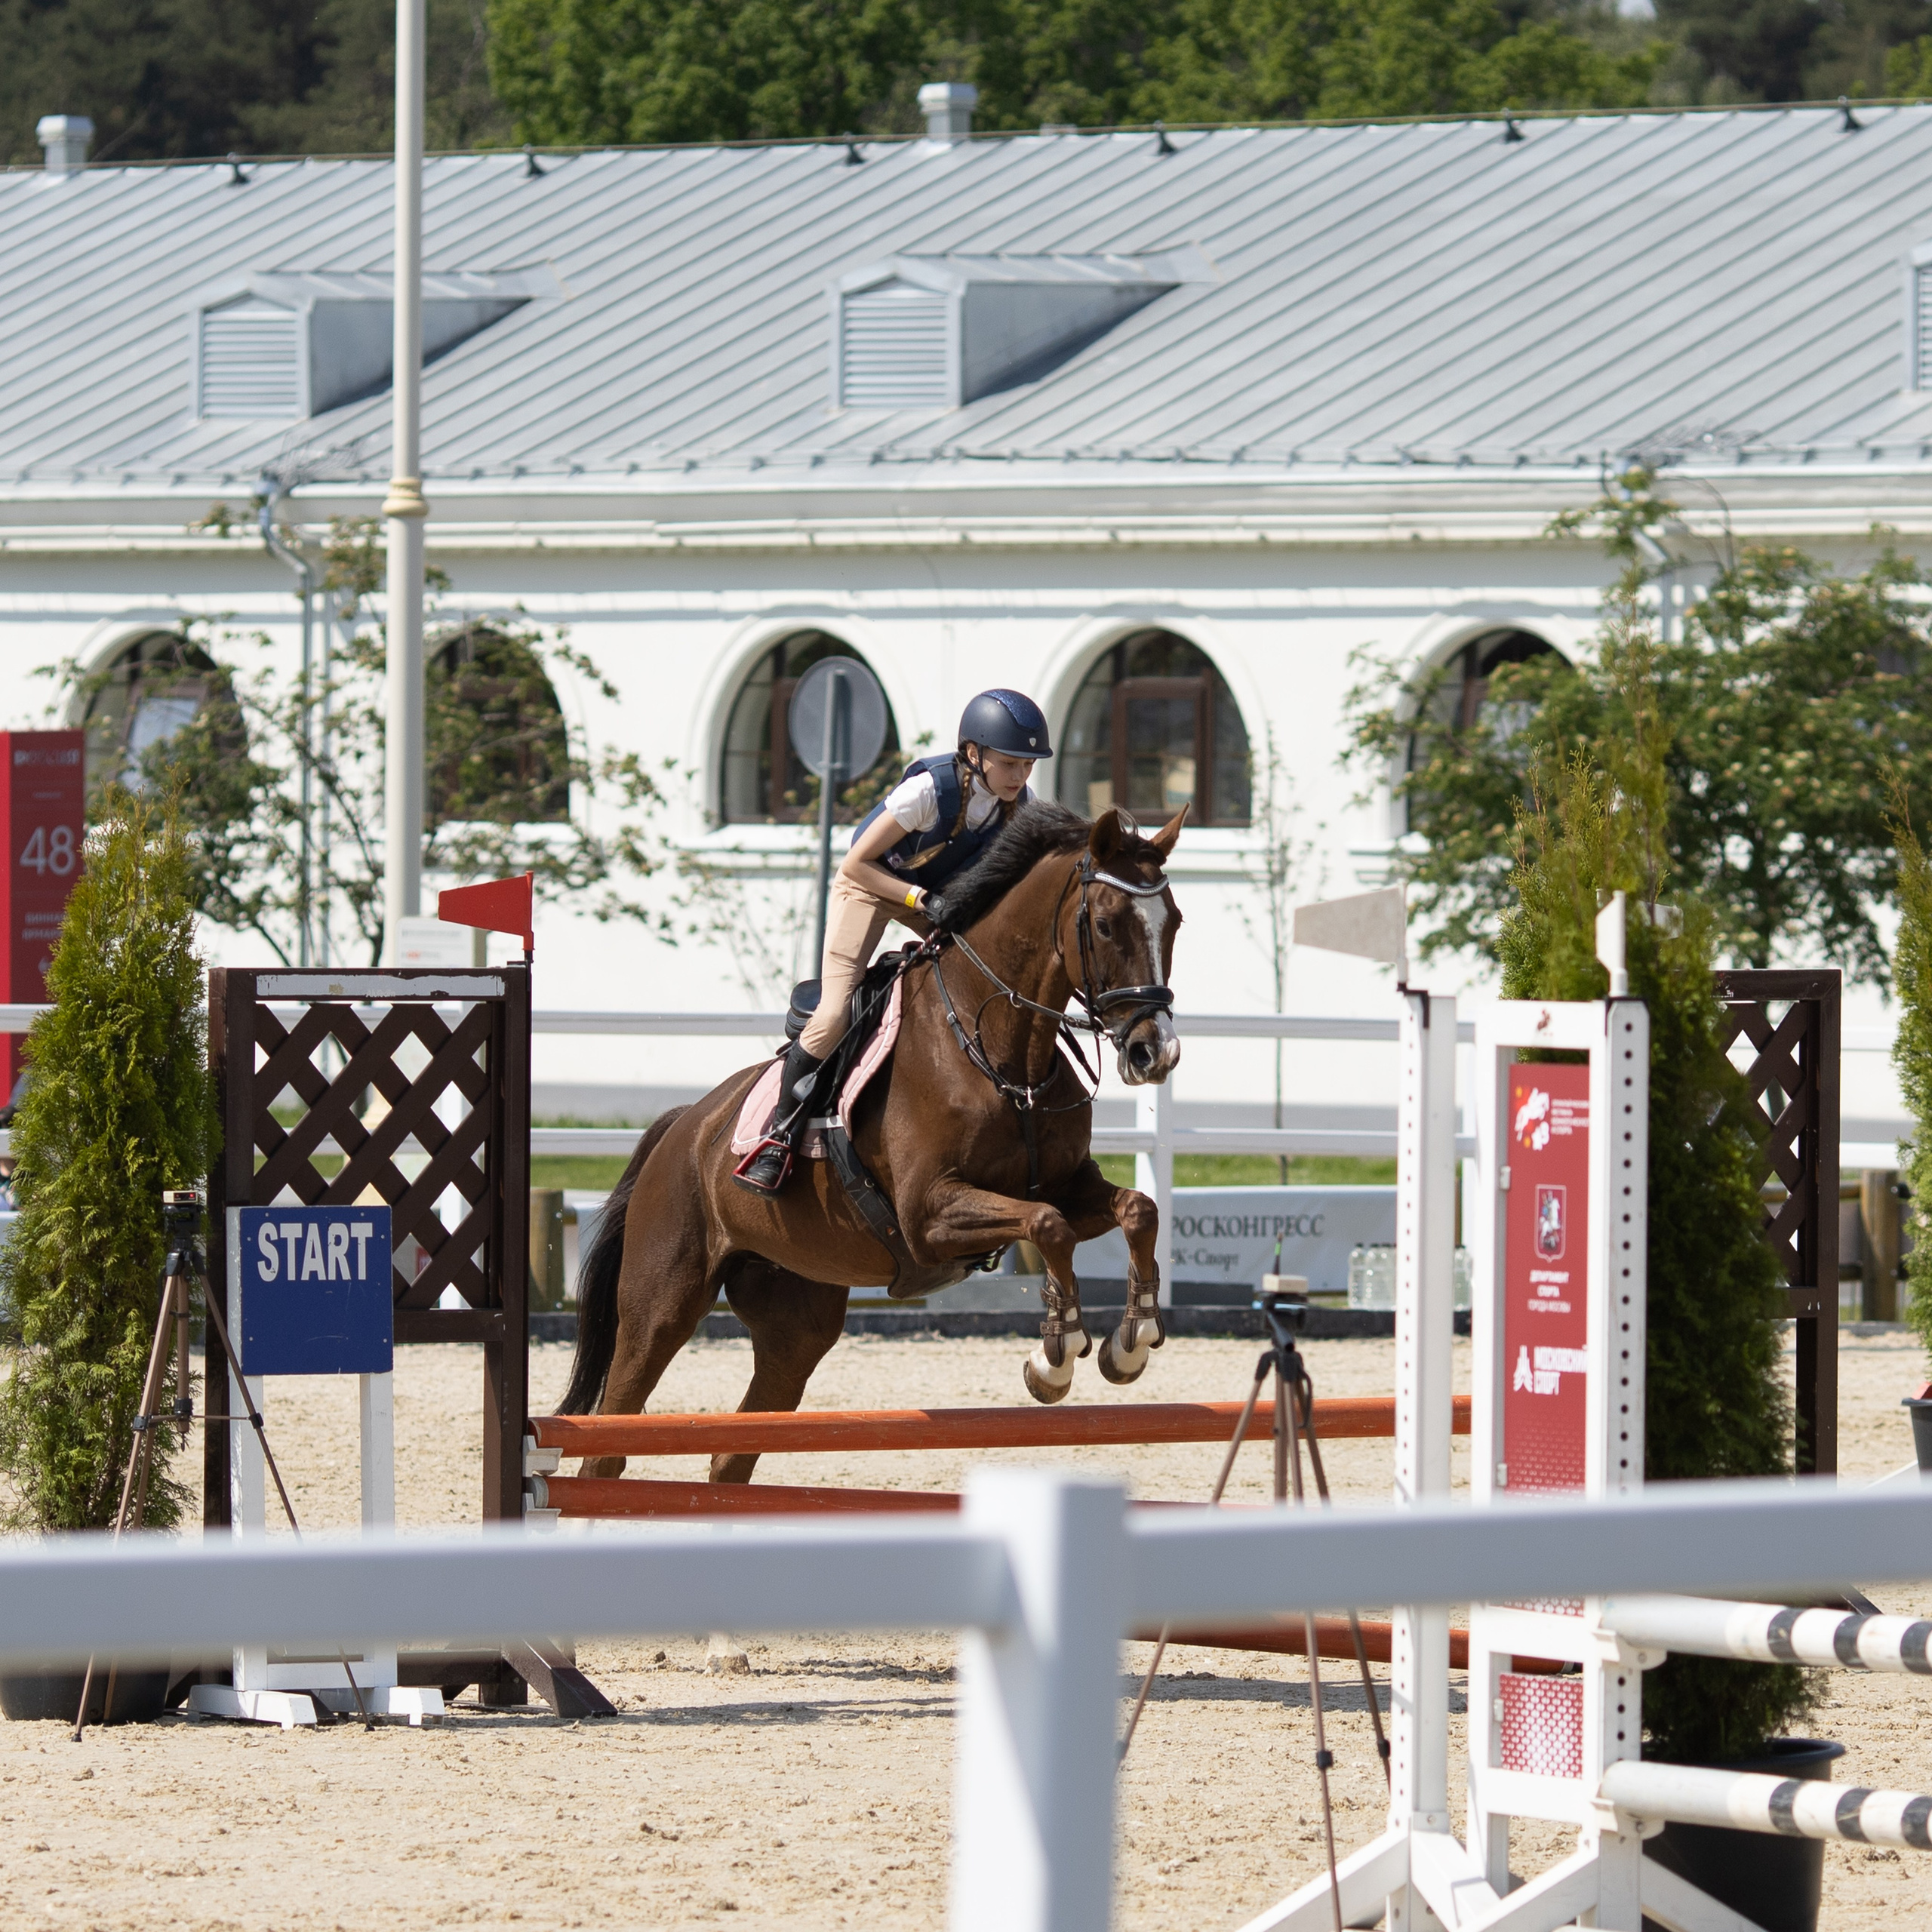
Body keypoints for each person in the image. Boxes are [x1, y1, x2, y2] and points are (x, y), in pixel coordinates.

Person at [733, 687, 1052, 1195]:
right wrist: (919, 902)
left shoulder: (1018, 807)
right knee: (835, 1014)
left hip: (929, 899)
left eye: (1028, 765)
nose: (1020, 776)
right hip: (868, 890)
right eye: (1010, 763)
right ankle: (778, 1136)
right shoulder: (927, 791)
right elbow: (856, 863)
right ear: (973, 754)